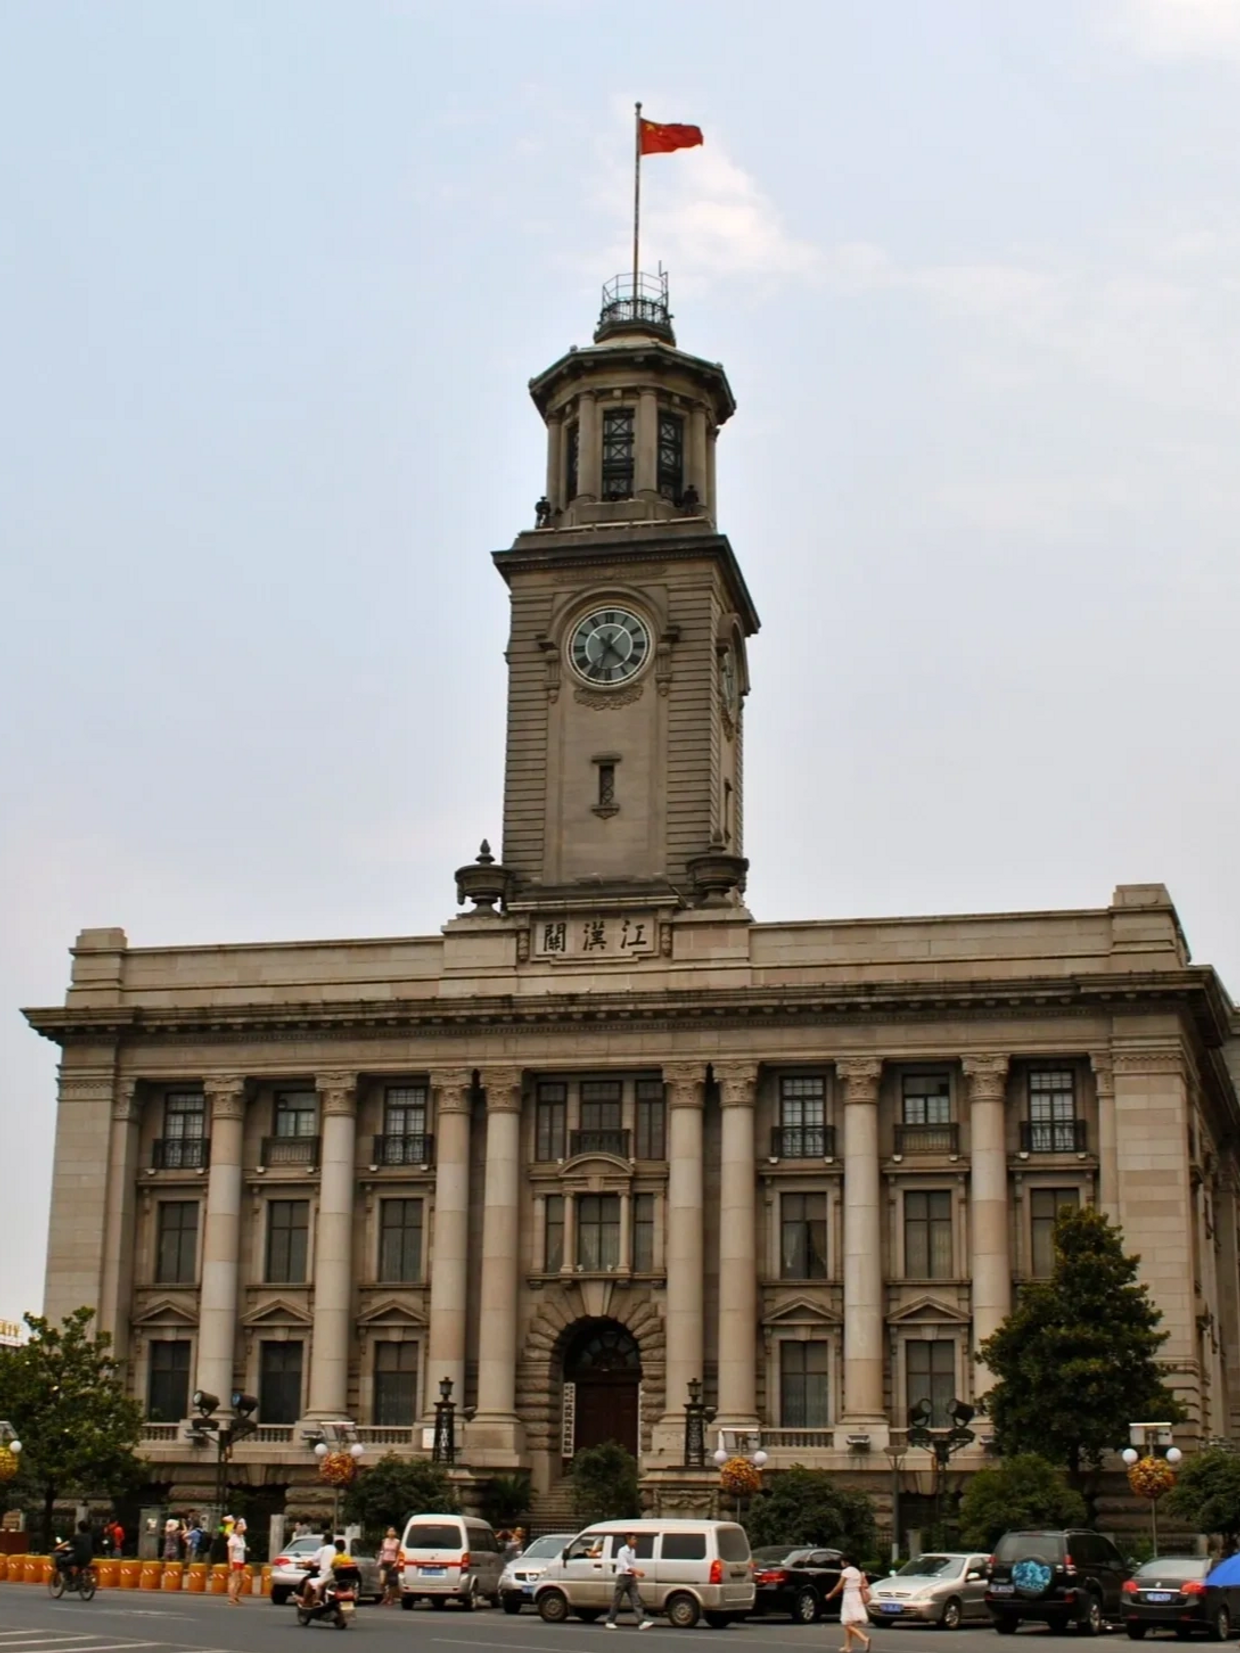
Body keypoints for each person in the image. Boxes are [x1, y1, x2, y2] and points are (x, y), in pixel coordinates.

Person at [824, 1554, 872, 1653]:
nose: (841, 1563)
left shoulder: (847, 1571)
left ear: (847, 1562)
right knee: (850, 1622)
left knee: (846, 1622)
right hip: (856, 1596)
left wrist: (830, 1595)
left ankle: (864, 1639)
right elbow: (866, 1584)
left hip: (849, 1597)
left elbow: (839, 1586)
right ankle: (848, 1646)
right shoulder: (859, 1572)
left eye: (842, 1561)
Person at [606, 1533, 653, 1630]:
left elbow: (632, 1564)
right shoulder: (622, 1551)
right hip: (622, 1577)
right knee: (617, 1600)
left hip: (631, 1577)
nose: (636, 1541)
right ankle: (610, 1621)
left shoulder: (633, 1551)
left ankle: (641, 1622)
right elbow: (625, 1566)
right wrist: (637, 1572)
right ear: (628, 1540)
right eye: (634, 1539)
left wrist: (634, 1574)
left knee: (636, 1600)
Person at [301, 1535, 343, 1607]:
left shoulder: (322, 1549)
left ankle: (306, 1602)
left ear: (324, 1541)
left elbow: (312, 1561)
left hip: (325, 1577)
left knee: (308, 1582)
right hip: (334, 1577)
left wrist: (304, 1566)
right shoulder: (336, 1550)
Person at [55, 1520, 95, 1587]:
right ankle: (78, 1579)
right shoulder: (89, 1536)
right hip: (89, 1558)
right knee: (79, 1565)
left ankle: (68, 1579)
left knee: (61, 1561)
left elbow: (66, 1543)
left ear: (79, 1528)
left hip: (78, 1557)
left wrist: (57, 1548)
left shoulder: (77, 1536)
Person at [226, 1517, 247, 1605]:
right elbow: (230, 1552)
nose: (241, 1528)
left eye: (241, 1527)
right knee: (234, 1580)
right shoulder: (233, 1538)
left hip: (241, 1561)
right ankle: (231, 1598)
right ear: (235, 1529)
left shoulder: (242, 1537)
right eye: (239, 1527)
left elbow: (245, 1527)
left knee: (242, 1579)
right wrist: (230, 1564)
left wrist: (242, 1520)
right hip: (235, 1561)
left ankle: (236, 1596)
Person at [378, 1527, 403, 1605]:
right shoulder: (384, 1541)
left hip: (392, 1563)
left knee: (392, 1582)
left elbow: (399, 1553)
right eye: (389, 1531)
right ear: (387, 1532)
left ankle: (391, 1598)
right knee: (382, 1581)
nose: (391, 1532)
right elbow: (382, 1552)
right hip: (384, 1562)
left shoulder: (397, 1542)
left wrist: (396, 1562)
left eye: (393, 1531)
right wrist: (379, 1561)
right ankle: (385, 1596)